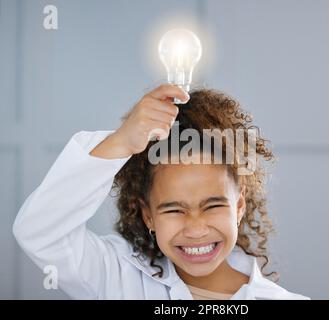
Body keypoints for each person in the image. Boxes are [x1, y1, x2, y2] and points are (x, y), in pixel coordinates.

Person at [13, 84, 309, 300]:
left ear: (239, 205)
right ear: (148, 215)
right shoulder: (115, 276)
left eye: (212, 206)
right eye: (174, 209)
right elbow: (40, 231)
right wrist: (122, 143)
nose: (195, 229)